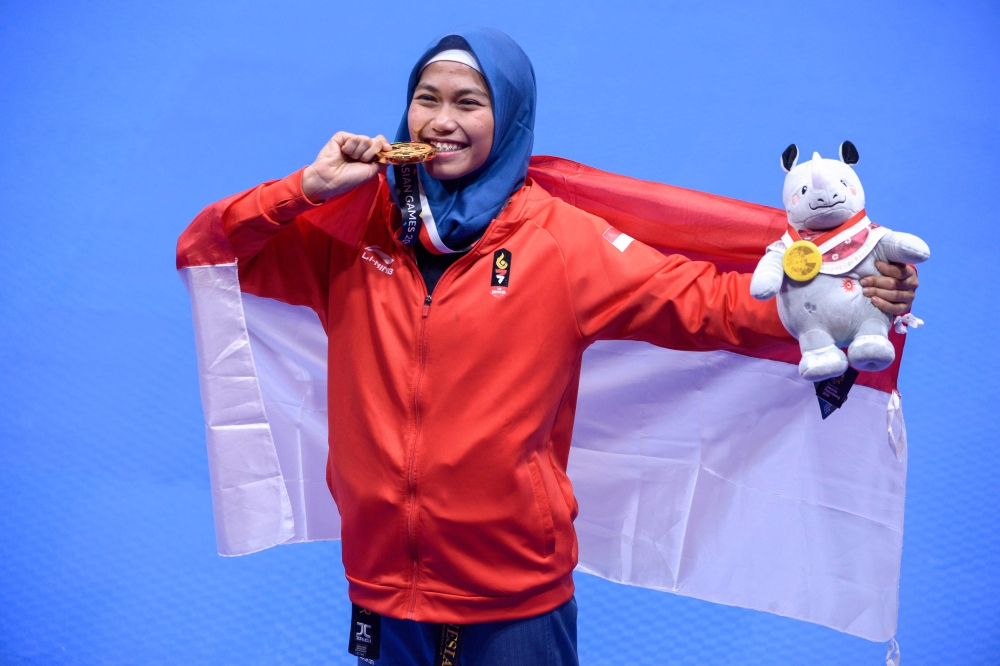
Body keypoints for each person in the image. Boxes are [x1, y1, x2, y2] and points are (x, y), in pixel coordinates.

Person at [195, 26, 919, 666]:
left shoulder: (560, 243)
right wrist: (306, 188)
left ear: (508, 118)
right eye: (427, 97)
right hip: (384, 588)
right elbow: (213, 254)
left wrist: (848, 297)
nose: (441, 121)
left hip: (514, 600)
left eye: (468, 102)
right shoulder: (353, 235)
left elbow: (708, 304)